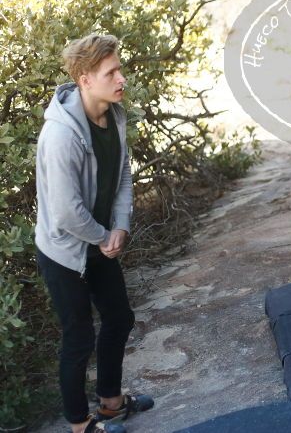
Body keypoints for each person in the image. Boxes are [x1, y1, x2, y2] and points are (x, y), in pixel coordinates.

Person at [35, 34, 153, 433]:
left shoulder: (114, 116)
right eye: (111, 72)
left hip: (100, 240)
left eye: (120, 69)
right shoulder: (61, 134)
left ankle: (110, 404)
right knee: (79, 336)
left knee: (119, 317)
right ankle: (78, 423)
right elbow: (67, 212)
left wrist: (119, 226)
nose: (121, 79)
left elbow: (121, 175)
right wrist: (103, 236)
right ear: (85, 79)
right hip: (64, 250)